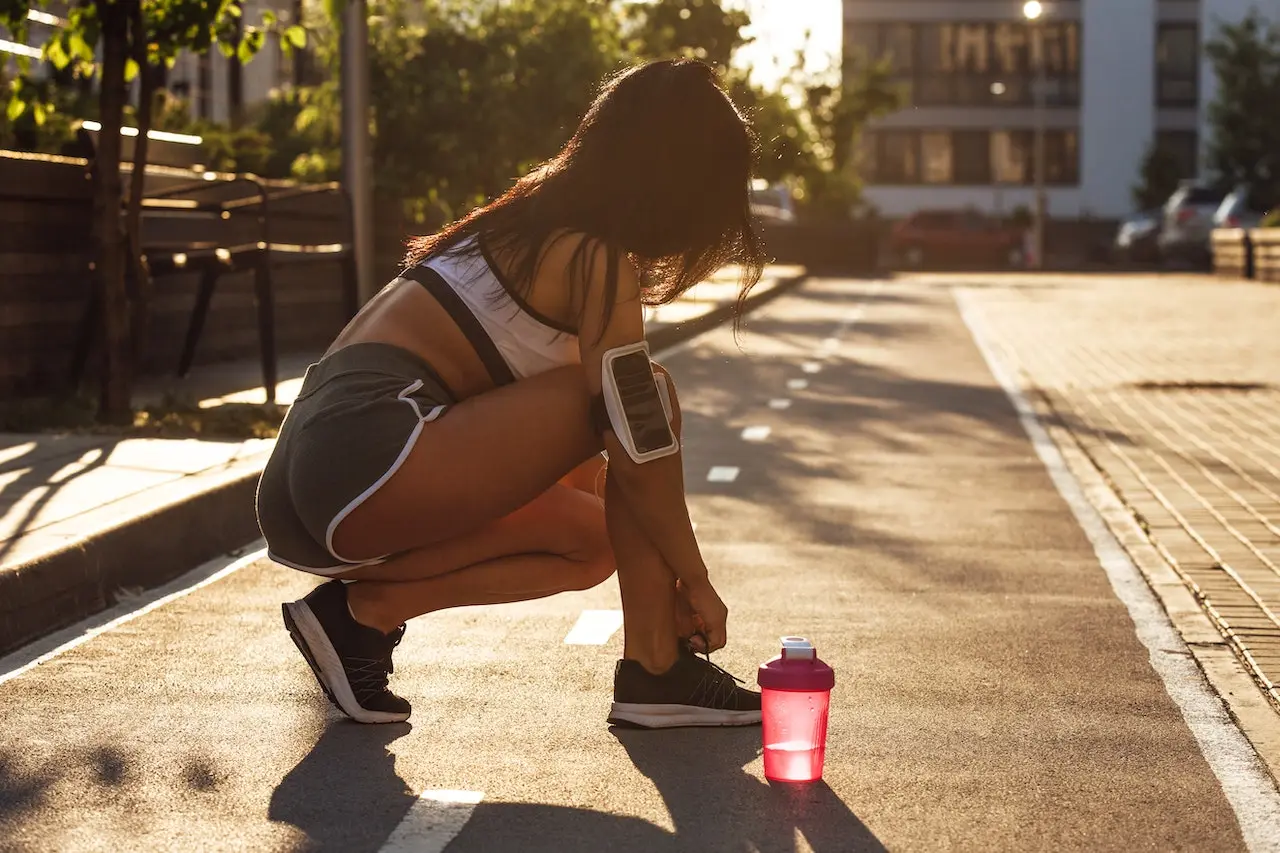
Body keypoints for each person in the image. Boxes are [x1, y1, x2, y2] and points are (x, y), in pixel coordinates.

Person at [256, 58, 767, 728]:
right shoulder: (592, 257)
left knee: (593, 535)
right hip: (366, 453)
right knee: (647, 397)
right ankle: (657, 668)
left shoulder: (529, 220)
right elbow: (639, 426)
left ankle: (362, 615)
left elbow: (613, 478)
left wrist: (662, 576)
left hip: (313, 489)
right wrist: (694, 579)